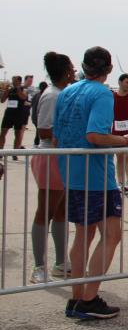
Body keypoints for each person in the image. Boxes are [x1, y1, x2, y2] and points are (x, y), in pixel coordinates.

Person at [53, 46, 128, 319]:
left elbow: (57, 136)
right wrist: (126, 140)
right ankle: (89, 299)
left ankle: (76, 297)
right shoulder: (101, 93)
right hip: (96, 177)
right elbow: (95, 135)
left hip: (72, 172)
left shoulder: (67, 92)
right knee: (112, 235)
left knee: (83, 234)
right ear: (109, 69)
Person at [29, 54, 73, 284]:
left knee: (61, 211)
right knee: (45, 211)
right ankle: (39, 266)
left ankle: (60, 262)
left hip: (62, 157)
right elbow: (44, 130)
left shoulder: (61, 93)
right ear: (65, 71)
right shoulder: (52, 95)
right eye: (71, 68)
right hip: (51, 157)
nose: (74, 72)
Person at [1, 75, 30, 160]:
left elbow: (23, 97)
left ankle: (15, 153)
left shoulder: (24, 89)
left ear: (19, 81)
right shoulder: (10, 90)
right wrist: (6, 90)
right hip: (9, 114)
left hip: (18, 115)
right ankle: (1, 152)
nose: (13, 82)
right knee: (3, 133)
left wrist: (18, 89)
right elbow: (2, 100)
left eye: (14, 81)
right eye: (12, 80)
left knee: (17, 134)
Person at [30, 81, 48, 147]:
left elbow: (31, 104)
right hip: (39, 118)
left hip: (34, 117)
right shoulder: (44, 96)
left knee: (38, 132)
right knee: (38, 133)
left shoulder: (36, 95)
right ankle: (36, 145)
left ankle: (36, 144)